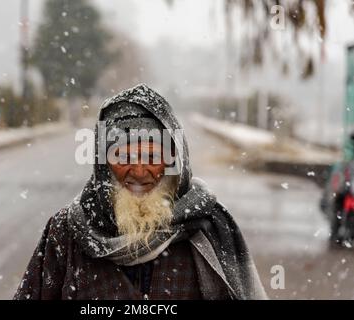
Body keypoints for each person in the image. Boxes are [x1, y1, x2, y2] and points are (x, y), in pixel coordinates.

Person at [14, 84, 267, 300]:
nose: (138, 170)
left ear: (172, 162)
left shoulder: (210, 227)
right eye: (123, 156)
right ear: (104, 164)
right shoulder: (67, 231)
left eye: (151, 156)